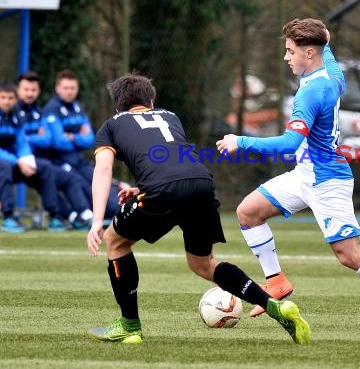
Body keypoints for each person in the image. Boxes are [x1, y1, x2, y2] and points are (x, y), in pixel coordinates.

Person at [216, 18, 360, 333]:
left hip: (326, 180)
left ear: (309, 53)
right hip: (304, 173)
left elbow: (289, 143)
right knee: (248, 212)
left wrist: (241, 141)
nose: (286, 57)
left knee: (349, 255)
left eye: (290, 51)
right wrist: (327, 41)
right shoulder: (330, 75)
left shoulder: (312, 91)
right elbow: (331, 61)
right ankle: (276, 282)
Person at [86, 73, 311, 344]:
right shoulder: (170, 117)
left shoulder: (111, 125)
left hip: (161, 190)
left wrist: (97, 220)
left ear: (118, 105)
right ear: (152, 101)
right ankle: (276, 307)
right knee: (203, 264)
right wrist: (141, 188)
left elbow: (103, 170)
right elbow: (169, 159)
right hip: (201, 184)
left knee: (116, 241)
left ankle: (130, 327)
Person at [15, 71, 93, 229]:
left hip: (39, 160)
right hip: (17, 160)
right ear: (18, 90)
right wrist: (32, 137)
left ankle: (84, 215)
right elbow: (20, 139)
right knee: (48, 171)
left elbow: (49, 140)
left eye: (33, 90)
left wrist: (30, 137)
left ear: (39, 91)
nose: (30, 93)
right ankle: (58, 216)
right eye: (26, 89)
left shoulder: (38, 111)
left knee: (70, 178)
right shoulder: (12, 111)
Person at [42, 69, 120, 221]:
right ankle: (88, 218)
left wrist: (71, 137)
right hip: (60, 162)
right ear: (57, 88)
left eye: (72, 88)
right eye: (65, 88)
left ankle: (114, 211)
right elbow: (58, 143)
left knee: (102, 181)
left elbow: (91, 139)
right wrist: (79, 138)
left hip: (79, 160)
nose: (69, 92)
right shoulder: (51, 109)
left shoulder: (78, 108)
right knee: (82, 186)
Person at [0, 82, 67, 233]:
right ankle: (9, 216)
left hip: (14, 163)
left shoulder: (16, 116)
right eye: (3, 97)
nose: (7, 101)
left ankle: (55, 216)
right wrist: (18, 161)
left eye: (10, 98)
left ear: (15, 99)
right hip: (6, 164)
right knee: (3, 167)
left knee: (44, 167)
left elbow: (22, 142)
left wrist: (26, 159)